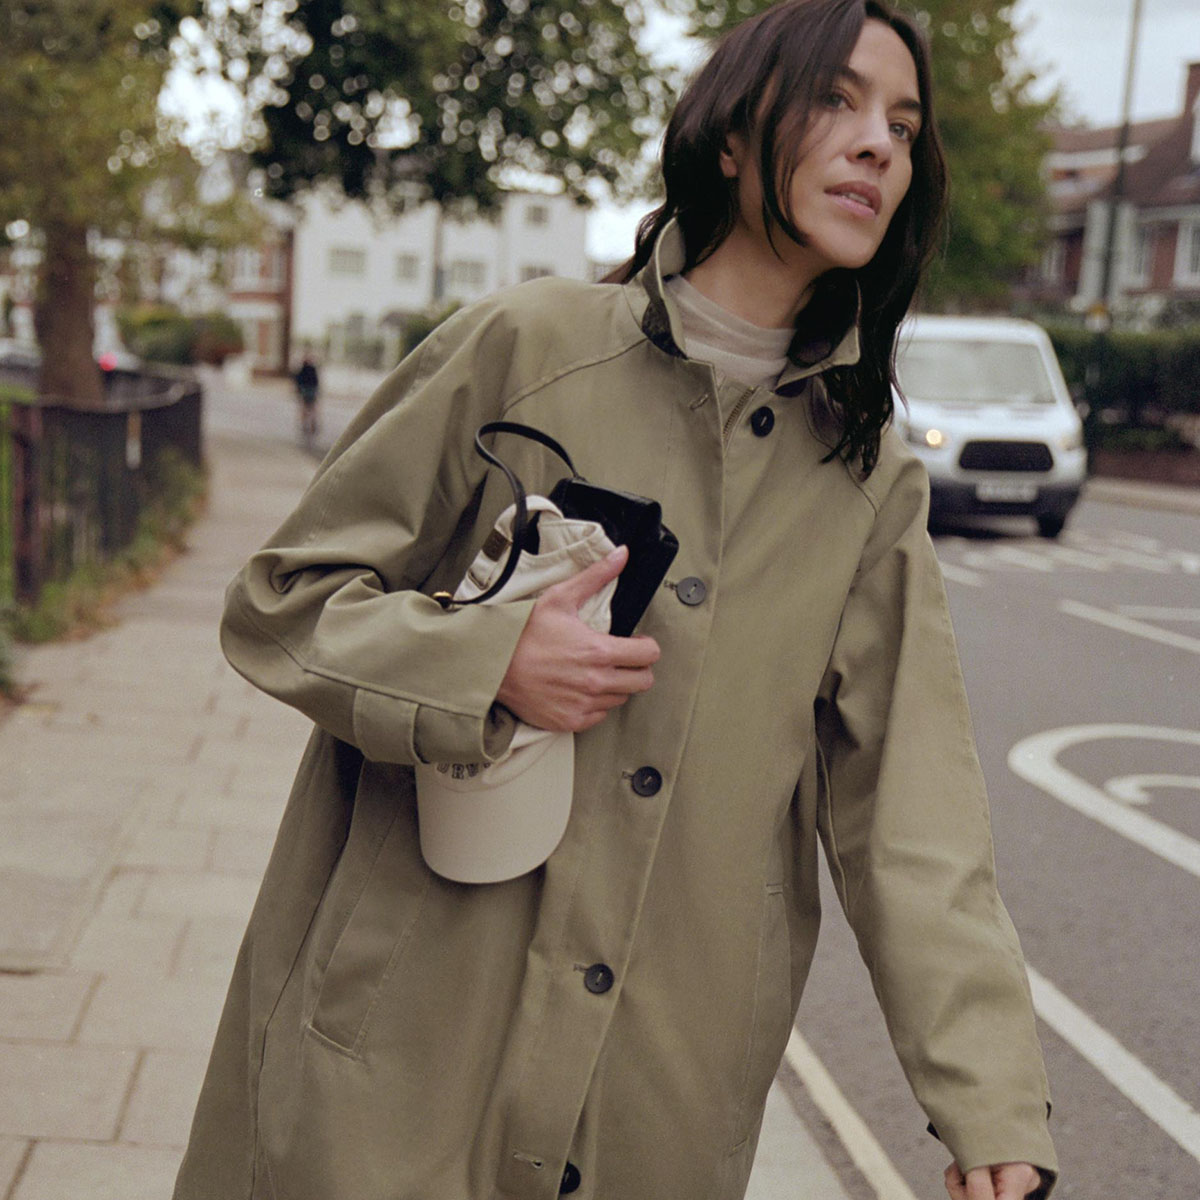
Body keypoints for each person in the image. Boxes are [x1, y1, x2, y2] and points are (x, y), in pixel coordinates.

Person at [174, 2, 1057, 1198]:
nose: (878, 146)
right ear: (732, 136)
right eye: (839, 102)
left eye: (904, 126)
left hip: (661, 1094)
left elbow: (913, 811)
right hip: (411, 1043)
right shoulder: (524, 350)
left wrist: (988, 1102)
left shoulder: (865, 479)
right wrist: (484, 663)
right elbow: (280, 603)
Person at [294, 353, 320, 446]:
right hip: (311, 391)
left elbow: (298, 381)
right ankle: (312, 423)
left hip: (305, 391)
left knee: (305, 408)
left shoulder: (302, 369)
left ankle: (306, 424)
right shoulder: (312, 369)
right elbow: (316, 382)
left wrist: (298, 390)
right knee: (312, 408)